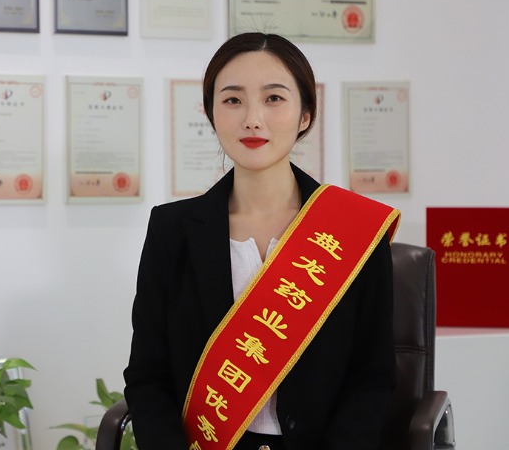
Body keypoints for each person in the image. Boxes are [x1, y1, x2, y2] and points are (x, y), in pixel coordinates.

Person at [124, 32, 398, 450]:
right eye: (233, 100)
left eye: (273, 98)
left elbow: (372, 379)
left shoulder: (354, 230)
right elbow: (148, 376)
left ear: (305, 114)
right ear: (211, 113)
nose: (253, 118)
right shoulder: (172, 230)